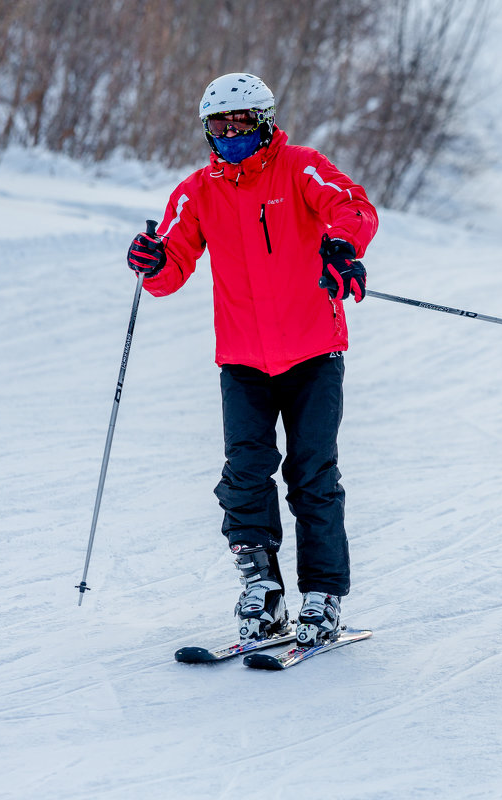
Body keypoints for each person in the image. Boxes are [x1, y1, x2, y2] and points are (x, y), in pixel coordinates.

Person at [125, 73, 378, 647]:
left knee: (312, 475)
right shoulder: (198, 191)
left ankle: (321, 597)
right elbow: (170, 268)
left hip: (314, 350)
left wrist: (341, 246)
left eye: (240, 122)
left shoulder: (300, 166)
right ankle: (261, 587)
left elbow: (353, 207)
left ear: (264, 122)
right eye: (219, 124)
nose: (229, 133)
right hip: (242, 359)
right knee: (244, 475)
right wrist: (151, 260)